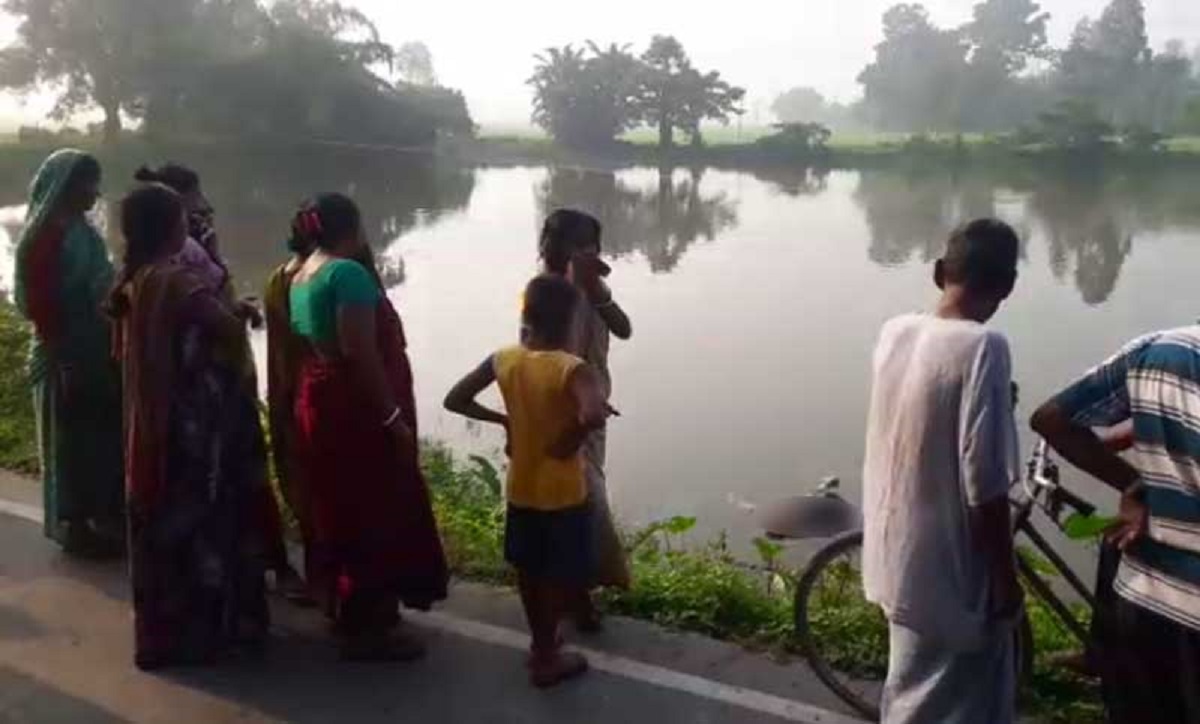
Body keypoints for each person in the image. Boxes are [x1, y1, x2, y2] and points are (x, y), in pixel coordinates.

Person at [861, 219, 1024, 724]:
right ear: (1007, 285)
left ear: (938, 272)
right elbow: (984, 482)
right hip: (953, 565)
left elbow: (923, 412)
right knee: (966, 703)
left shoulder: (896, 331)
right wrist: (1005, 578)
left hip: (895, 549)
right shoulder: (984, 346)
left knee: (908, 689)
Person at [109, 183, 269, 670]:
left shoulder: (135, 277)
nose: (187, 222)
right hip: (190, 425)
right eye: (181, 216)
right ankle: (200, 634)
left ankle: (160, 634)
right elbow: (223, 329)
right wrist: (239, 311)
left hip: (152, 416)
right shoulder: (177, 280)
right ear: (170, 226)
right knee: (200, 522)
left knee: (161, 522)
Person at [288, 193, 447, 661]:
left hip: (320, 398)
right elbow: (360, 352)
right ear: (353, 227)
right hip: (354, 407)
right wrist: (392, 416)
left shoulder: (302, 272)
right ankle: (369, 624)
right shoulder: (348, 274)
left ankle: (349, 608)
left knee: (340, 504)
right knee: (375, 507)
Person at [134, 163, 301, 596]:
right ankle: (251, 573)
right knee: (231, 479)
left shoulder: (143, 269)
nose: (201, 208)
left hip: (176, 395)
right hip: (205, 395)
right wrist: (233, 314)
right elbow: (216, 320)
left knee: (199, 490)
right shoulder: (180, 266)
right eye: (189, 205)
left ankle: (211, 577)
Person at [445, 274, 610, 687]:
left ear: (527, 318)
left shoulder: (504, 360)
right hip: (563, 492)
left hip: (521, 488)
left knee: (530, 571)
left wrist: (505, 420)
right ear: (572, 321)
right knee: (559, 572)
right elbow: (592, 414)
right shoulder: (574, 369)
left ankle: (541, 647)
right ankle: (549, 657)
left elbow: (455, 399)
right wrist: (568, 440)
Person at [1032, 331, 1200, 723]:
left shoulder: (1161, 350)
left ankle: (1097, 654)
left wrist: (1134, 484)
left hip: (1143, 606)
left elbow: (1050, 419)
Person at [14, 149, 124, 557]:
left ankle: (100, 517)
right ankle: (74, 526)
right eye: (86, 184)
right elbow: (40, 305)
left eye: (95, 183)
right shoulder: (44, 238)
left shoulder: (82, 230)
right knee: (67, 440)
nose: (94, 192)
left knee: (97, 435)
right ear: (63, 187)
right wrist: (65, 358)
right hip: (63, 349)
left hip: (93, 345)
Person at [538, 209, 632, 630]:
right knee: (580, 505)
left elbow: (623, 328)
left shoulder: (593, 288)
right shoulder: (545, 294)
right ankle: (573, 595)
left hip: (593, 413)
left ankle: (574, 592)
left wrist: (596, 290)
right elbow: (557, 359)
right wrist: (578, 289)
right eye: (580, 247)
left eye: (593, 246)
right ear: (557, 249)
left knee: (582, 501)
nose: (590, 253)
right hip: (562, 416)